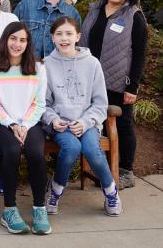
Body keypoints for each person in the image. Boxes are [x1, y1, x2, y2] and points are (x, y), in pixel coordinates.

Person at [43, 17, 123, 216]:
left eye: (69, 33)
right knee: (71, 148)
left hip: (87, 123)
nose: (64, 38)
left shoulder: (92, 63)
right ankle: (55, 189)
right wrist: (53, 120)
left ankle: (111, 192)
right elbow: (42, 104)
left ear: (78, 36)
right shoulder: (46, 65)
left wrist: (85, 122)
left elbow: (100, 103)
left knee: (92, 150)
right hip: (61, 124)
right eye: (59, 34)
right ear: (52, 37)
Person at [79, 0, 147, 189]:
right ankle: (108, 170)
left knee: (122, 126)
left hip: (119, 82)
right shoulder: (95, 10)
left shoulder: (133, 16)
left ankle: (125, 171)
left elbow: (139, 53)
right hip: (91, 80)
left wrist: (132, 86)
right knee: (101, 126)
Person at [0, 22, 51, 235]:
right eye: (13, 38)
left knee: (35, 153)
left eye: (23, 40)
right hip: (3, 123)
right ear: (5, 40)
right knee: (12, 151)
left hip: (30, 123)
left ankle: (39, 208)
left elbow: (39, 103)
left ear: (28, 43)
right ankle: (9, 210)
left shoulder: (38, 68)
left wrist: (24, 125)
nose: (17, 44)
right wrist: (12, 124)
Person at [13, 0, 81, 59]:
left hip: (58, 69)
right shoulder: (25, 6)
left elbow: (76, 47)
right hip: (27, 68)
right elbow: (10, 36)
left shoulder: (72, 14)